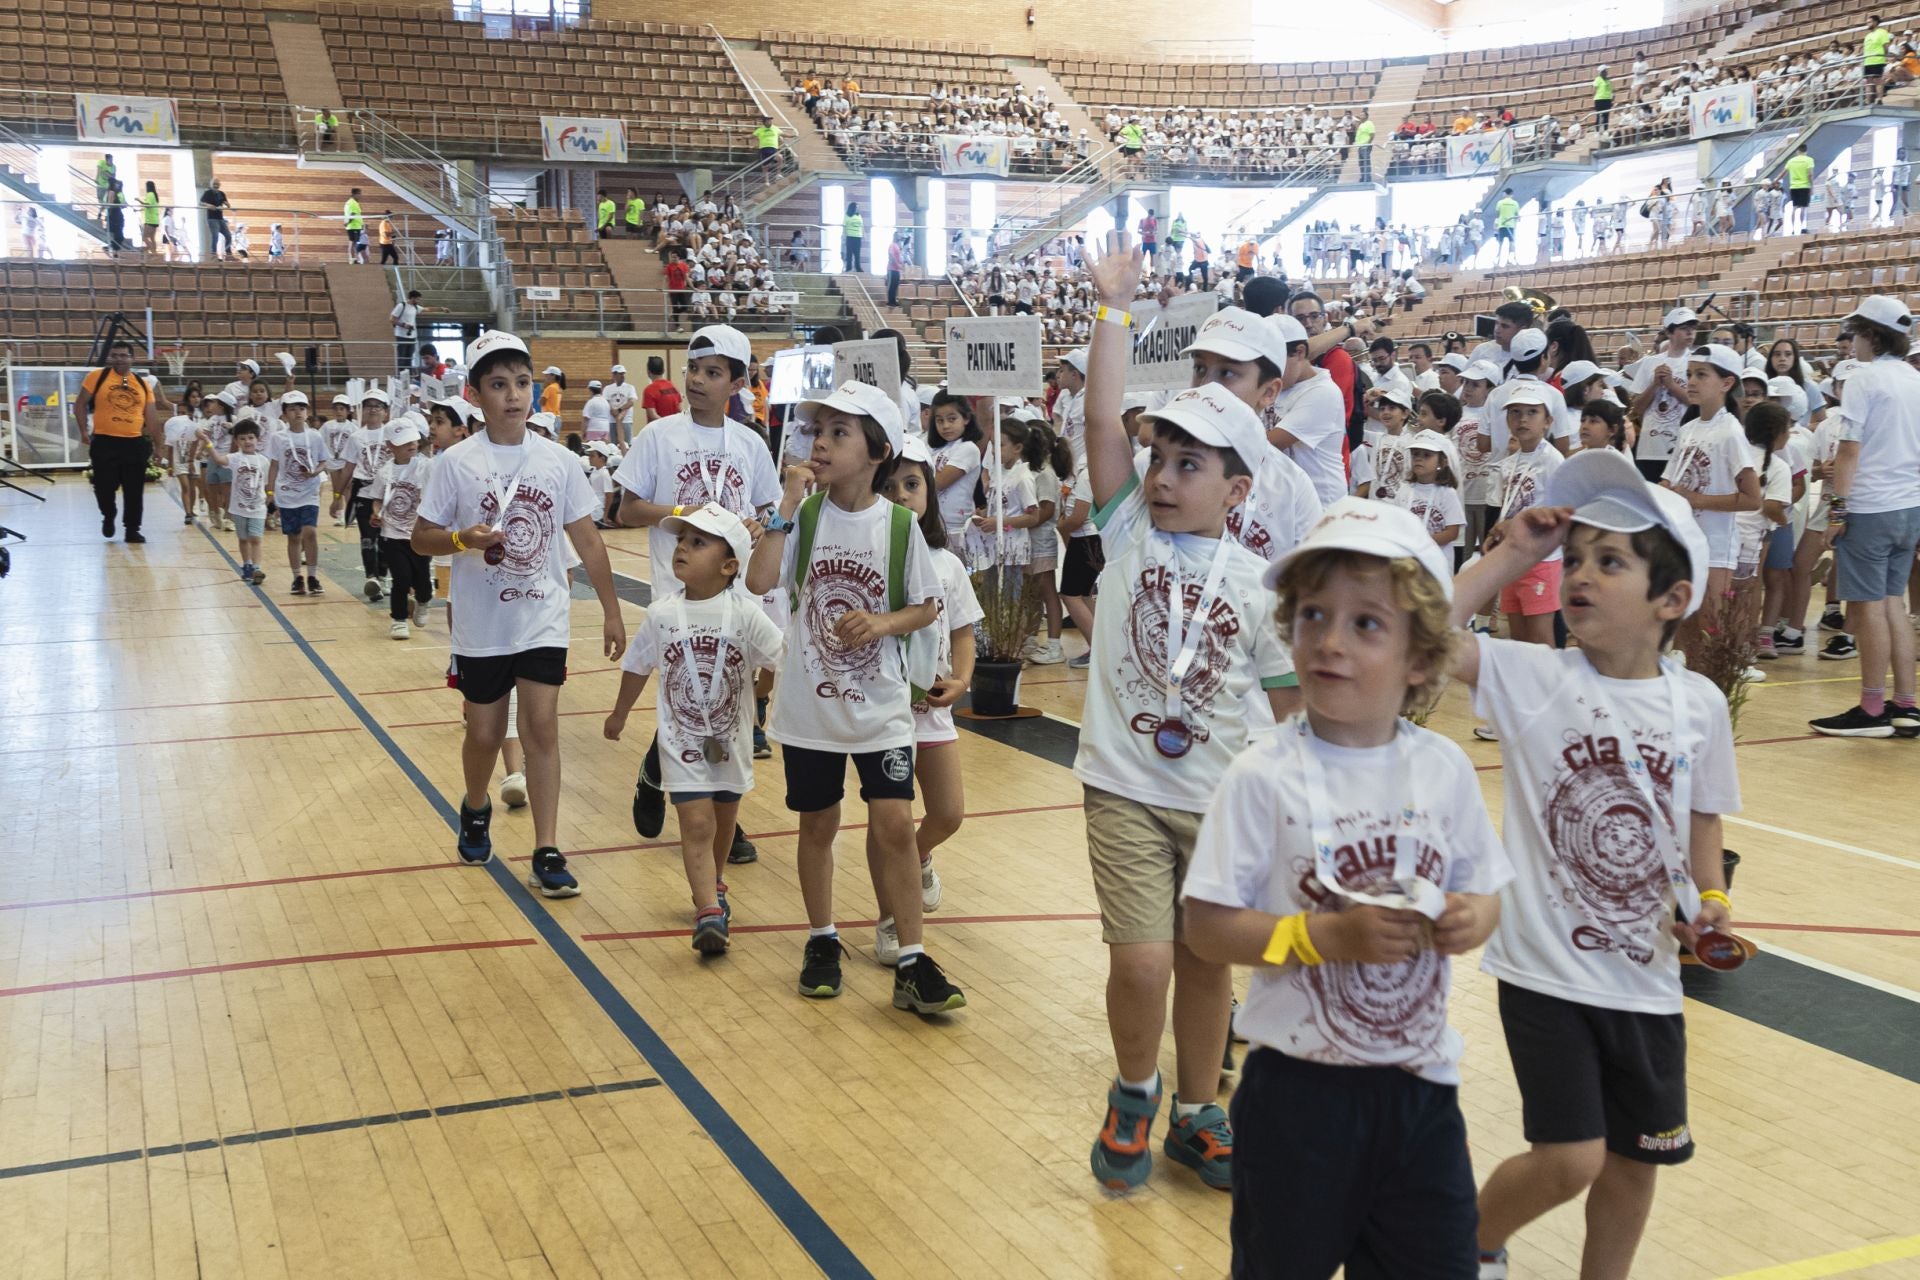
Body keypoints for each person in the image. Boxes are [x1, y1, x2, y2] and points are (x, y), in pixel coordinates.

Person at [1184, 499, 1510, 1278]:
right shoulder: (1261, 774)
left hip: (1421, 1091)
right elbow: (1204, 928)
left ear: (1421, 659)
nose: (1328, 641)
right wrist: (1321, 937)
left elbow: (1486, 889)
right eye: (1312, 616)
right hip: (1298, 1097)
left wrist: (1473, 918)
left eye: (1366, 624)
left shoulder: (1444, 768)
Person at [1449, 449, 1737, 1280]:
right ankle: (1466, 1244)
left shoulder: (1700, 705)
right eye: (1574, 558)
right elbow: (1419, 633)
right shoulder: (1530, 676)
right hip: (1545, 972)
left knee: (1635, 1160)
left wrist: (1711, 895)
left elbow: (1702, 818)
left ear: (1672, 599)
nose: (1578, 574)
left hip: (1645, 978)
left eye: (1609, 562)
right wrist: (1510, 558)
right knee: (1571, 1156)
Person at [1076, 261, 1299, 1192]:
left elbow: (1290, 712)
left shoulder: (1260, 586)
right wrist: (1113, 307)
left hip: (1217, 797)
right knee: (1142, 960)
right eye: (1158, 459)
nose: (1162, 478)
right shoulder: (1127, 531)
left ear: (1237, 491)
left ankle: (1200, 1112)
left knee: (1208, 965)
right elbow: (1099, 420)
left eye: (1189, 465)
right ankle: (1136, 1090)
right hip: (1125, 785)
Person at [743, 379, 968, 1014]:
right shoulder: (805, 517)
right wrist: (786, 504)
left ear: (876, 452)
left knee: (895, 824)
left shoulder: (899, 526)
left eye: (839, 432)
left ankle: (914, 959)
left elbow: (927, 608)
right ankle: (821, 937)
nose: (821, 442)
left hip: (883, 707)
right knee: (818, 823)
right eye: (819, 430)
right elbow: (760, 578)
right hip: (811, 708)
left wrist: (881, 622)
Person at [413, 329, 626, 897]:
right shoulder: (455, 463)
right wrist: (462, 539)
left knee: (540, 728)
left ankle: (547, 847)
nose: (513, 395)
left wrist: (610, 610)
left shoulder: (559, 461)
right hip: (483, 623)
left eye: (523, 383)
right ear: (476, 394)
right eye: (499, 384)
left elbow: (589, 541)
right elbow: (420, 538)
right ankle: (476, 805)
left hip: (543, 617)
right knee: (483, 733)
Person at [617, 326, 782, 864]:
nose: (698, 381)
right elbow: (627, 509)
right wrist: (690, 516)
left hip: (734, 596)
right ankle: (670, 785)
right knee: (692, 698)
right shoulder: (659, 436)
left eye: (713, 373)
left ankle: (711, 811)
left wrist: (757, 527)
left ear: (737, 382)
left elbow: (765, 510)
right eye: (693, 370)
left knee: (727, 702)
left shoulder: (751, 443)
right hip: (678, 592)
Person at [605, 501, 783, 952]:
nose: (682, 547)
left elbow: (781, 657)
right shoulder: (662, 613)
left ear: (729, 565)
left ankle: (716, 883)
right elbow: (638, 666)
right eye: (682, 540)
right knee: (697, 824)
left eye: (697, 542)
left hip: (731, 742)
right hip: (680, 742)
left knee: (724, 823)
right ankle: (706, 908)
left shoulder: (744, 614)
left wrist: (763, 694)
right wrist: (620, 712)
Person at [876, 436, 981, 950]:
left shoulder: (947, 564)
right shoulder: (869, 555)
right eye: (889, 486)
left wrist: (960, 682)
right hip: (883, 716)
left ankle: (918, 858)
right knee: (889, 824)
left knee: (947, 814)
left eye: (912, 484)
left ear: (928, 493)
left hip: (933, 712)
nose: (901, 495)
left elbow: (963, 633)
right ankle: (892, 919)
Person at [1810, 296, 1920, 738]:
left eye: (1855, 332)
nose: (1851, 341)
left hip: (1871, 506)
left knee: (1870, 606)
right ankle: (1906, 705)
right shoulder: (1913, 379)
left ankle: (1872, 707)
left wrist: (1838, 509)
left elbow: (1849, 451)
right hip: (1908, 507)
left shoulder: (1863, 379)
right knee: (1895, 604)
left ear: (1871, 335)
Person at [76, 342, 162, 544]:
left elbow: (152, 417)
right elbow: (80, 404)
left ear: (132, 358)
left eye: (123, 355)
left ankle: (132, 529)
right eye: (114, 355)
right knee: (103, 487)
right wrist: (83, 431)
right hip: (105, 442)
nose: (119, 359)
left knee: (134, 489)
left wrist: (159, 446)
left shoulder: (142, 385)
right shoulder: (97, 377)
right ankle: (109, 513)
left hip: (134, 443)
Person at [370, 416, 437, 638]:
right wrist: (376, 512)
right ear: (390, 445)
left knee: (423, 581)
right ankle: (398, 619)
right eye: (404, 441)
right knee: (401, 578)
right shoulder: (384, 472)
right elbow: (378, 499)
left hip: (419, 535)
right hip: (391, 534)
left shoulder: (425, 467)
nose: (411, 445)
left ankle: (423, 602)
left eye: (413, 440)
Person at [264, 391, 326, 596]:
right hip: (287, 493)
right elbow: (273, 465)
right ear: (284, 414)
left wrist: (315, 472)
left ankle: (313, 575)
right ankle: (297, 577)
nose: (297, 412)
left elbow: (323, 461)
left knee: (310, 532)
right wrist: (270, 492)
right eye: (292, 409)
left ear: (307, 412)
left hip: (309, 492)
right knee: (293, 536)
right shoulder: (278, 438)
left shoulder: (315, 436)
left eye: (301, 408)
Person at [1629, 307, 1700, 483]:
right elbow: (1636, 408)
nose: (1690, 332)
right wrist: (1654, 384)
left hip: (1684, 444)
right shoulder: (1650, 363)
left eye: (1692, 327)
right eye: (1684, 328)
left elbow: (1697, 404)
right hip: (1651, 447)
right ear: (1670, 332)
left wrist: (1671, 385)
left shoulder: (1697, 362)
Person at [202, 419, 269, 582]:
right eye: (243, 438)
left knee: (256, 538)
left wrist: (271, 500)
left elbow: (266, 484)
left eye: (251, 437)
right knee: (243, 538)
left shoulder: (264, 461)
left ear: (257, 439)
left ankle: (257, 568)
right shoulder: (235, 458)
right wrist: (208, 443)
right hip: (239, 508)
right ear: (236, 441)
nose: (247, 441)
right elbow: (218, 460)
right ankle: (246, 564)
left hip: (258, 508)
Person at [1785, 145, 1815, 235]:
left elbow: (1783, 173)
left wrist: (1776, 180)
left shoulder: (1791, 161)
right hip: (1804, 186)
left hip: (1793, 187)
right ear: (1806, 151)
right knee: (1803, 208)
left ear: (1798, 151)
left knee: (1794, 208)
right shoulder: (1809, 160)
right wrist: (1812, 186)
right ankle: (1802, 228)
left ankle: (1793, 229)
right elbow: (1810, 174)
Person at [391, 289, 423, 372]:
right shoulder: (402, 305)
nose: (419, 301)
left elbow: (427, 309)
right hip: (401, 335)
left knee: (409, 358)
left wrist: (441, 308)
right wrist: (404, 325)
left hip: (412, 336)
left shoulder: (415, 307)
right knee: (402, 357)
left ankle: (408, 377)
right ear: (412, 298)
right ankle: (401, 376)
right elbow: (392, 319)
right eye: (418, 299)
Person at [604, 364, 637, 444]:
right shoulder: (608, 388)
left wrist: (619, 410)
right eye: (620, 374)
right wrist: (612, 410)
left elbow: (631, 401)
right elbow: (606, 401)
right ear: (614, 375)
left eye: (623, 373)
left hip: (626, 420)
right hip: (612, 420)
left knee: (626, 443)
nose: (622, 376)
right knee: (613, 444)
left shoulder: (630, 387)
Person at [642, 355, 680, 423]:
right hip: (674, 427)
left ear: (648, 371)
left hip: (657, 430)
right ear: (663, 370)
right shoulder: (673, 387)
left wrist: (665, 424)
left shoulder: (649, 390)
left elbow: (652, 415)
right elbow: (679, 410)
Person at [1494, 188, 1521, 266]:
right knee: (1511, 242)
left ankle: (1497, 260)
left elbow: (1497, 213)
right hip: (1511, 225)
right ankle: (1509, 259)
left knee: (1500, 243)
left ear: (1505, 194)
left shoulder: (1500, 202)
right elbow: (1517, 215)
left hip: (1502, 225)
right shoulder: (1515, 203)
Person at [343, 187, 367, 263]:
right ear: (354, 194)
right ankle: (353, 259)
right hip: (354, 226)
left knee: (353, 242)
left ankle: (354, 259)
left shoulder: (350, 202)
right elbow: (352, 214)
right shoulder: (353, 203)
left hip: (355, 226)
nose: (360, 196)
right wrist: (348, 222)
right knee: (354, 243)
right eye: (359, 194)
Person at [1353, 110, 1376, 182]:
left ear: (1366, 116)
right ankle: (1363, 177)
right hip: (1360, 146)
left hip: (1365, 146)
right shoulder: (1361, 124)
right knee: (1361, 163)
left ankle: (1367, 178)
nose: (1361, 116)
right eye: (1360, 115)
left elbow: (1372, 134)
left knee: (1366, 162)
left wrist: (1368, 144)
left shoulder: (1369, 123)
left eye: (1362, 115)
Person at [139, 180, 161, 254]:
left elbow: (147, 205)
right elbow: (150, 206)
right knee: (152, 238)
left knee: (144, 237)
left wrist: (139, 201)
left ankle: (152, 251)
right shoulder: (154, 195)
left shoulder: (150, 194)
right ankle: (154, 252)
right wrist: (139, 210)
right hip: (155, 220)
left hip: (150, 220)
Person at [841, 201, 863, 272]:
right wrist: (843, 236)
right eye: (857, 207)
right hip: (850, 236)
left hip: (858, 237)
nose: (858, 209)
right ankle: (848, 267)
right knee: (849, 253)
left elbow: (862, 226)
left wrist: (864, 234)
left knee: (857, 253)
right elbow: (844, 226)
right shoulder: (847, 215)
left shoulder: (859, 215)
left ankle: (858, 267)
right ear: (853, 208)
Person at [885, 234, 905, 308]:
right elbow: (891, 255)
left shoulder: (898, 246)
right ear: (895, 237)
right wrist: (897, 264)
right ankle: (890, 301)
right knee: (891, 285)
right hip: (891, 269)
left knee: (895, 285)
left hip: (897, 270)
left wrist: (901, 264)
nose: (899, 237)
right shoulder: (892, 245)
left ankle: (894, 300)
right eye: (898, 236)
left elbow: (899, 257)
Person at [1593, 63, 1615, 132]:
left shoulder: (1608, 80)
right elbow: (1595, 90)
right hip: (1599, 100)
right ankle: (1597, 131)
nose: (1607, 72)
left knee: (1606, 116)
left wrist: (1612, 97)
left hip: (1607, 100)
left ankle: (1605, 130)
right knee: (1599, 116)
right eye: (1605, 71)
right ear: (1602, 72)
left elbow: (1610, 90)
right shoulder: (1597, 79)